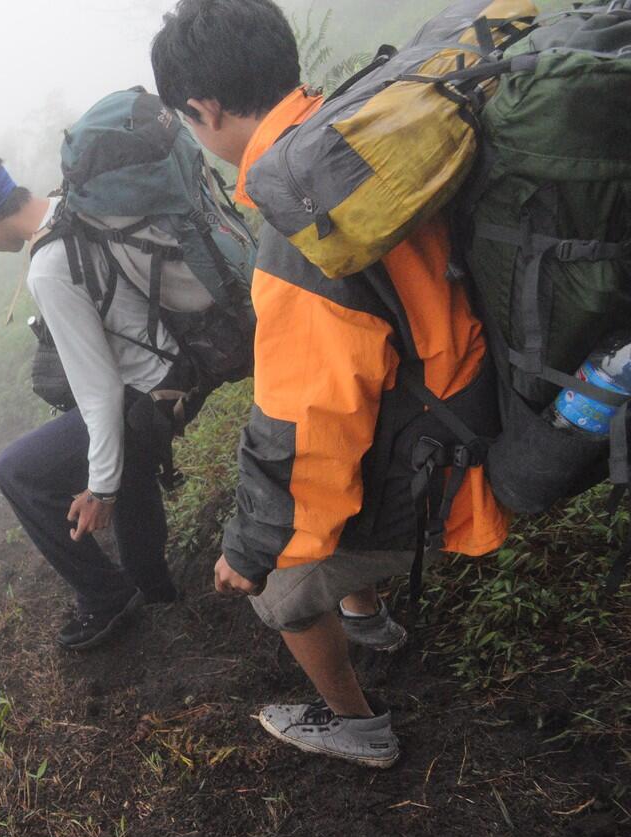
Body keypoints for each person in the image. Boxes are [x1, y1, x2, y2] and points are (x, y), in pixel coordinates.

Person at [151, 0, 509, 767]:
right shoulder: (347, 137)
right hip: (465, 376)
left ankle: (356, 725)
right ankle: (369, 618)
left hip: (448, 442)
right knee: (314, 523)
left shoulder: (297, 231)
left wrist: (251, 550)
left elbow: (307, 426)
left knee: (281, 586)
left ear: (204, 110)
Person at [0, 148, 180, 650]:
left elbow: (100, 390)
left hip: (148, 388)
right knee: (124, 454)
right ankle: (154, 589)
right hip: (176, 358)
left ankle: (105, 597)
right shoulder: (70, 203)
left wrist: (100, 486)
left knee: (17, 470)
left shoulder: (49, 267)